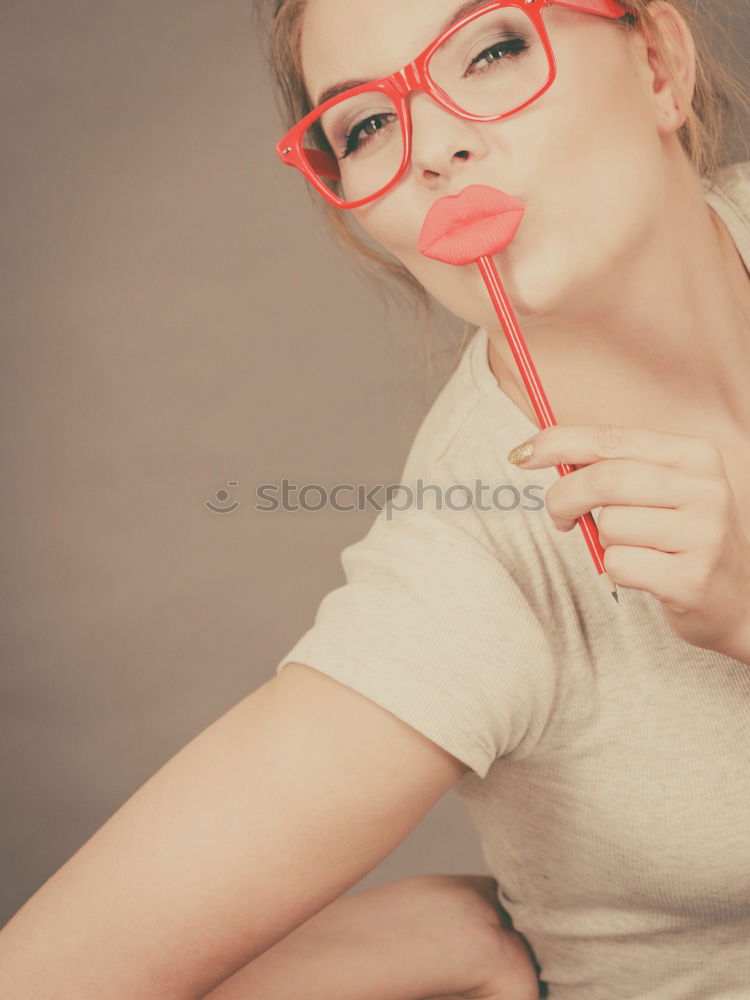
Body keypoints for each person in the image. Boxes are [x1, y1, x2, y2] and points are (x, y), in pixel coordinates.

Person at [1, 0, 749, 997]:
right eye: (365, 125)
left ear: (657, 59)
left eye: (487, 49)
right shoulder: (473, 564)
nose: (433, 145)